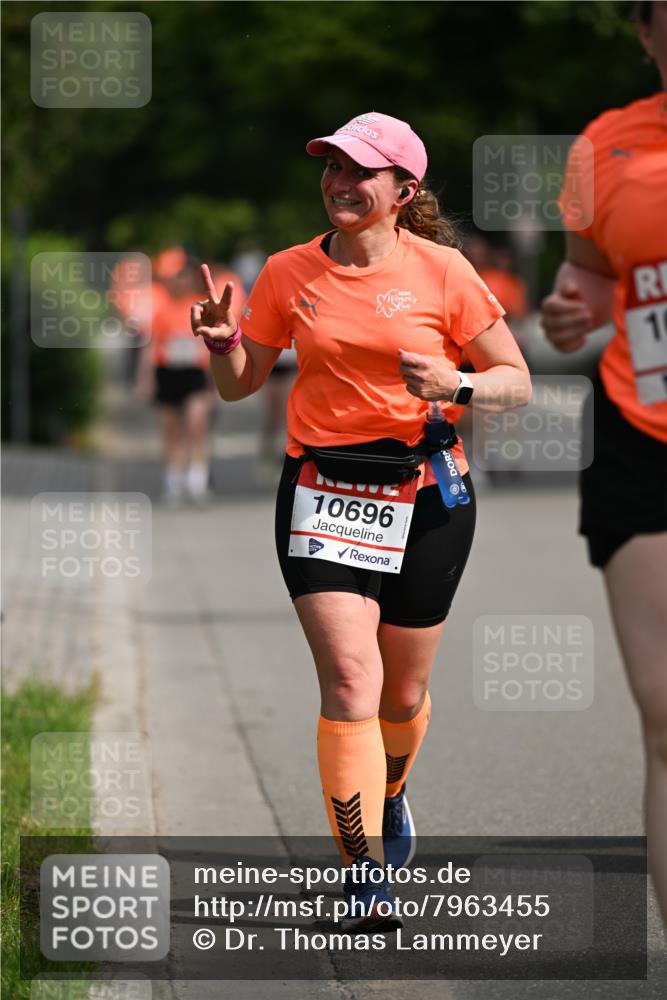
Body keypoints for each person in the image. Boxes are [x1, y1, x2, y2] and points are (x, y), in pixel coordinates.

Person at [191, 112, 530, 930]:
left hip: (424, 496)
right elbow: (241, 384)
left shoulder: (444, 272)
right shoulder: (286, 271)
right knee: (350, 681)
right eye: (332, 167)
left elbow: (514, 381)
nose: (341, 182)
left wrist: (455, 383)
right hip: (321, 490)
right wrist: (222, 339)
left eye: (361, 172)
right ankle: (364, 874)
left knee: (402, 690)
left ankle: (391, 789)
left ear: (401, 191)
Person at [541, 0, 667, 923]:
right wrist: (567, 309)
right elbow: (585, 275)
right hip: (641, 433)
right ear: (643, 30)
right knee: (665, 713)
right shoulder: (602, 147)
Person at [136, 253, 245, 503]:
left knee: (197, 425)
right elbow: (151, 346)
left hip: (196, 373)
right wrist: (145, 377)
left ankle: (197, 480)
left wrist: (216, 375)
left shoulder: (201, 306)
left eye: (183, 278)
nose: (180, 283)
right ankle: (173, 481)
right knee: (172, 430)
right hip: (168, 372)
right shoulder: (162, 308)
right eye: (175, 278)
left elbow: (215, 339)